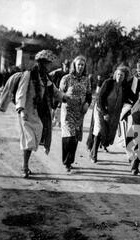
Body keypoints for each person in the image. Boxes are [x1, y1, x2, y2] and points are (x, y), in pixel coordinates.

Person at [14, 50, 69, 178]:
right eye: (49, 63)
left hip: (39, 112)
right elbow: (20, 93)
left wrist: (65, 98)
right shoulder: (29, 74)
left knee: (35, 137)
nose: (50, 66)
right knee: (29, 140)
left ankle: (25, 165)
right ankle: (24, 167)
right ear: (43, 63)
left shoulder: (46, 77)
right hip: (27, 112)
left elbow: (54, 91)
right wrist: (21, 109)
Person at [87, 66, 134, 163]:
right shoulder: (108, 83)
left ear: (125, 77)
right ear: (115, 74)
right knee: (99, 130)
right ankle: (93, 154)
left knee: (107, 133)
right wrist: (104, 113)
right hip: (101, 109)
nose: (119, 76)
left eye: (122, 75)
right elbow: (100, 98)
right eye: (118, 74)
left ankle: (96, 148)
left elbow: (132, 98)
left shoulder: (125, 87)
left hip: (114, 113)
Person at [59, 55, 92, 173]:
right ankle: (66, 161)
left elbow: (89, 95)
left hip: (80, 112)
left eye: (82, 65)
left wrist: (87, 104)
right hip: (67, 110)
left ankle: (70, 160)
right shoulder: (66, 78)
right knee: (69, 136)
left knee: (75, 137)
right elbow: (60, 94)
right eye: (78, 64)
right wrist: (66, 100)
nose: (81, 67)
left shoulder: (86, 80)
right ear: (74, 65)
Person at [49, 59, 70, 127]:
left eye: (68, 66)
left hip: (64, 93)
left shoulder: (68, 74)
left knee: (61, 107)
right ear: (63, 65)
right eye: (66, 66)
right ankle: (51, 120)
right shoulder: (58, 73)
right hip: (56, 92)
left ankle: (59, 122)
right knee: (53, 107)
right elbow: (52, 81)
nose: (67, 67)